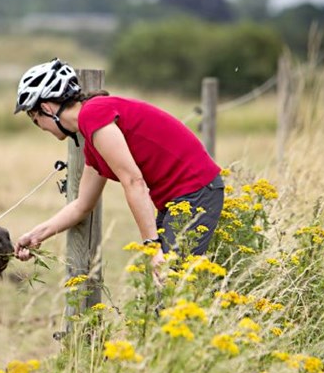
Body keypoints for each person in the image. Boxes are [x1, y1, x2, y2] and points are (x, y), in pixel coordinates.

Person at [12, 58, 224, 278]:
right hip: (181, 197)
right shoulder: (92, 136)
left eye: (33, 117)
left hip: (196, 191)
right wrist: (36, 235)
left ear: (46, 108)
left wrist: (152, 248)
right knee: (166, 290)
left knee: (170, 286)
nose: (38, 127)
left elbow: (133, 181)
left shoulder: (93, 115)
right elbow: (82, 206)